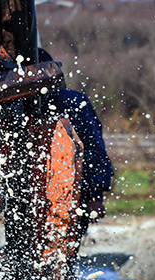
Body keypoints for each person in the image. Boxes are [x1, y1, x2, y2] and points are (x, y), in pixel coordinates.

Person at [38, 48, 114, 237]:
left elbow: (93, 148)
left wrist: (94, 196)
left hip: (71, 192)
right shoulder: (71, 100)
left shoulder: (70, 102)